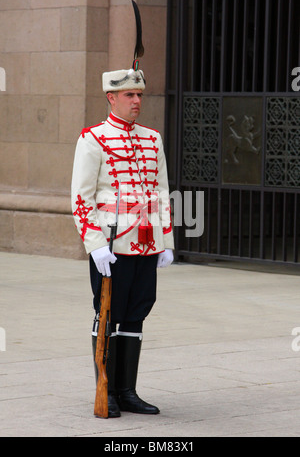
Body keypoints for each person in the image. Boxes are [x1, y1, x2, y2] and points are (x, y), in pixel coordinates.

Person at [71, 65, 174, 418]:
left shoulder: (152, 138)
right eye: (129, 95)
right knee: (108, 313)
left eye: (139, 95)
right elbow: (81, 197)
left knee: (137, 312)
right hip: (111, 247)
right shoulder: (93, 138)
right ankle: (107, 390)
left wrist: (166, 239)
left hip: (146, 243)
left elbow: (161, 192)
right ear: (111, 97)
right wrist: (95, 243)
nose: (136, 101)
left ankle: (127, 391)